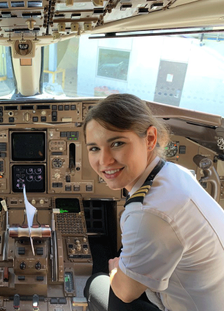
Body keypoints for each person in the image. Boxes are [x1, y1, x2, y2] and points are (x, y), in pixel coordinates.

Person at [82, 94, 224, 311]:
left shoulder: (149, 212)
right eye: (94, 148)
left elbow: (126, 292)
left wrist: (114, 269)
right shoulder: (175, 172)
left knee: (95, 284)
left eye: (117, 143)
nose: (104, 160)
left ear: (150, 139)